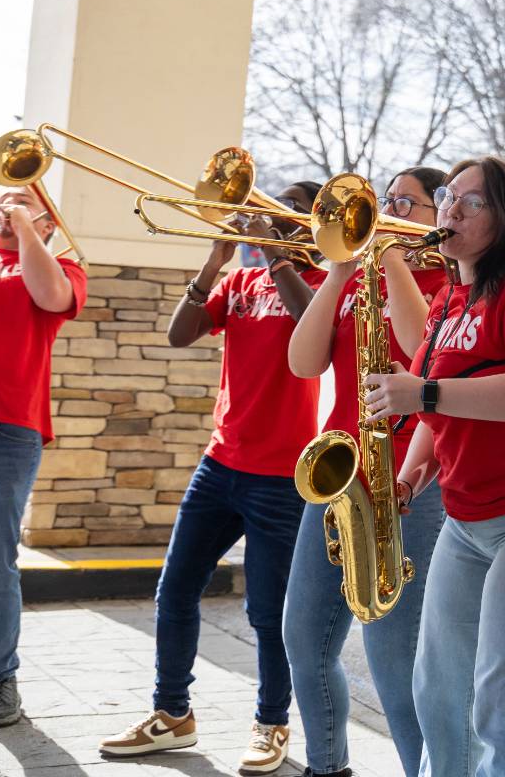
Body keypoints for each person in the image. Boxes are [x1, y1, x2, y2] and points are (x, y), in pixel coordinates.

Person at [364, 156, 505, 777]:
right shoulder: (449, 302)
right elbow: (443, 414)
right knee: (437, 687)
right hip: (468, 520)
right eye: (447, 197)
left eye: (473, 202)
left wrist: (425, 395)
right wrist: (413, 475)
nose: (450, 210)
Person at [100, 182, 327, 776]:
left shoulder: (326, 289)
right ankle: (171, 715)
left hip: (282, 477)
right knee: (174, 592)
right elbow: (179, 334)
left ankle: (271, 724)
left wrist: (278, 255)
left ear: (311, 228)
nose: (266, 225)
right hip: (220, 464)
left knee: (266, 612)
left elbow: (317, 337)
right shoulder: (241, 284)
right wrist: (213, 262)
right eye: (266, 215)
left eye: (283, 218)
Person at [283, 167, 451, 777]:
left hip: (409, 476)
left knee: (395, 658)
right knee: (302, 637)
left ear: (438, 215)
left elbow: (423, 347)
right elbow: (304, 363)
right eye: (386, 201)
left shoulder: (445, 283)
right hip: (339, 470)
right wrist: (337, 270)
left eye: (407, 202)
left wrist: (387, 256)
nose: (388, 210)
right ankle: (327, 767)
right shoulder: (356, 276)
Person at [0, 174, 86, 729]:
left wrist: (25, 231)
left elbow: (52, 297)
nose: (4, 207)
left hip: (3, 433)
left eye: (21, 203)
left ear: (48, 224)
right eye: (0, 202)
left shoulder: (61, 268)